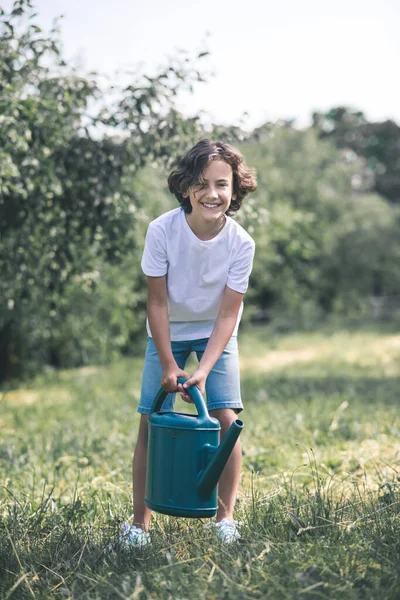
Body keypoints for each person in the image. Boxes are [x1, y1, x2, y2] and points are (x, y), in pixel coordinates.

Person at [120, 139, 257, 547]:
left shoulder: (241, 243)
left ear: (234, 190)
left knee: (226, 420)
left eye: (221, 184)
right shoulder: (162, 230)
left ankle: (225, 517)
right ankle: (138, 526)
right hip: (168, 330)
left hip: (217, 330)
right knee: (150, 421)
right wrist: (168, 364)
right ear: (184, 188)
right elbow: (157, 301)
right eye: (200, 183)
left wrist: (202, 371)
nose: (211, 194)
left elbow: (228, 314)